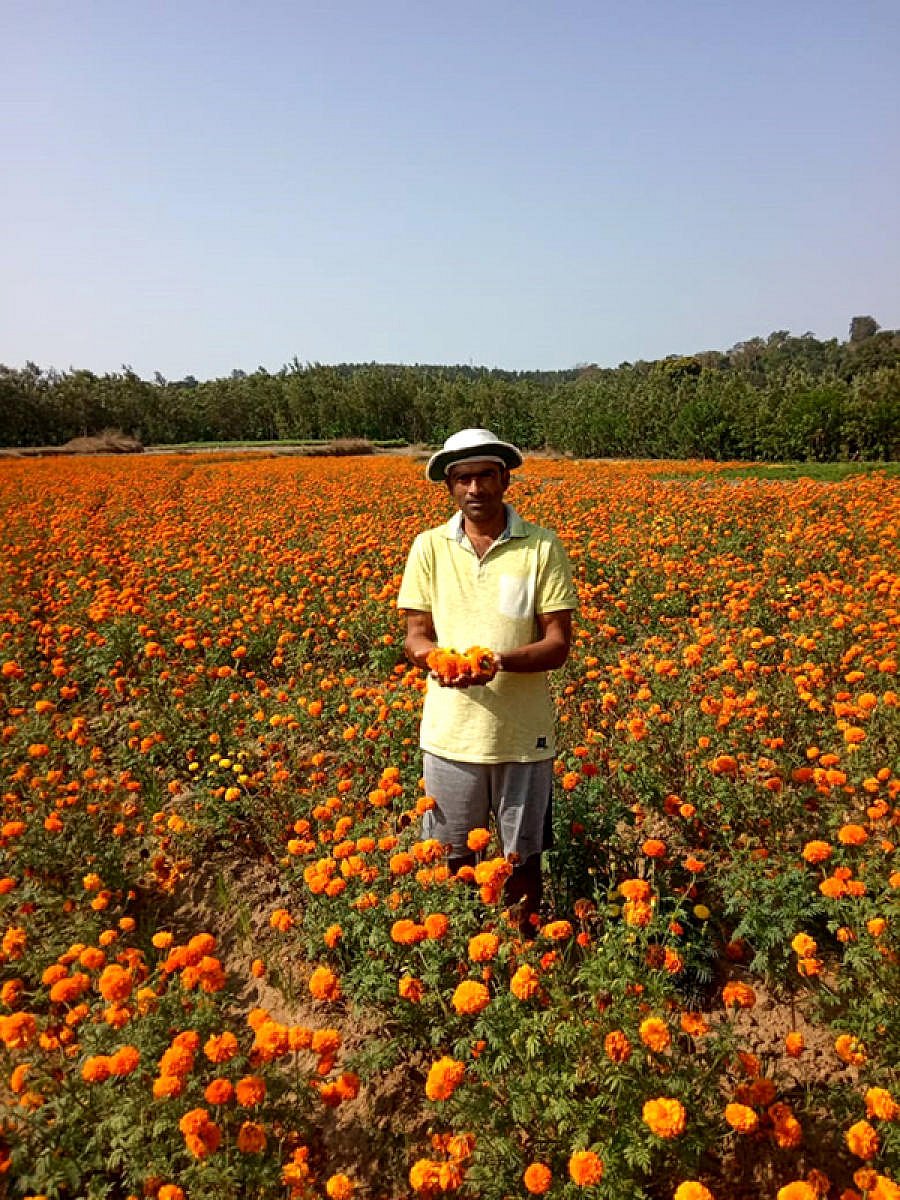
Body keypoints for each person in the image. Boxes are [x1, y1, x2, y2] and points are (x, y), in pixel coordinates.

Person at [397, 427, 577, 931]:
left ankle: (525, 948)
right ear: (450, 487)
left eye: (485, 477)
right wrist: (438, 660)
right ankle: (468, 950)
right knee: (454, 857)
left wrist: (497, 661)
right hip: (450, 735)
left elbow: (558, 643)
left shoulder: (541, 547)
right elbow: (415, 636)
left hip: (524, 738)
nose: (475, 489)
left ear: (505, 480)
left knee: (524, 859)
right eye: (464, 479)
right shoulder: (428, 547)